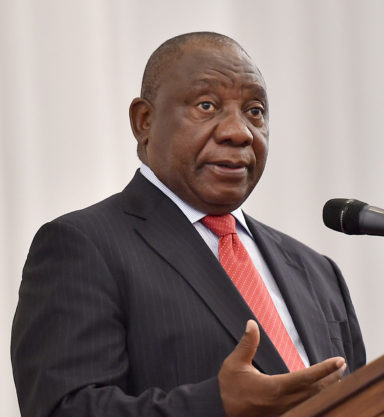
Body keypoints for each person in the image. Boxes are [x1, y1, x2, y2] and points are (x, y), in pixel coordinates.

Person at [11, 32, 365, 417]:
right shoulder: (83, 247)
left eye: (255, 111)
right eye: (207, 105)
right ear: (144, 121)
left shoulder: (318, 272)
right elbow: (64, 409)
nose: (239, 132)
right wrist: (217, 404)